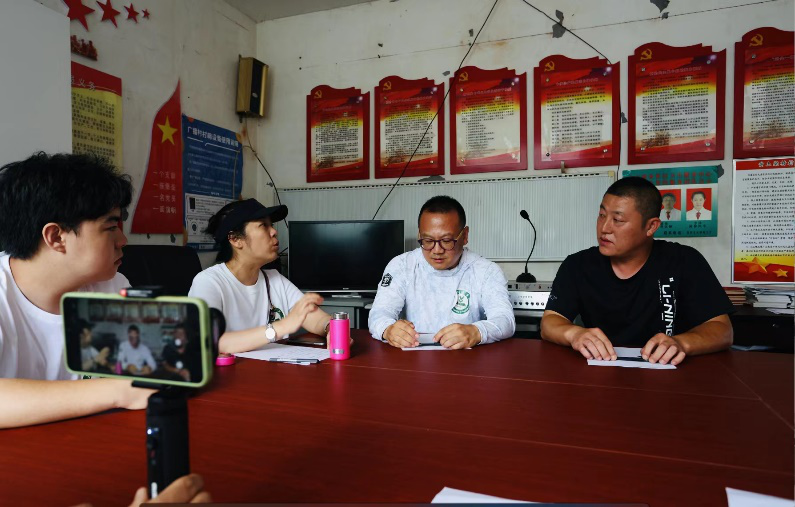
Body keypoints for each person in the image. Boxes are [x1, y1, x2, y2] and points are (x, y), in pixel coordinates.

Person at [0, 152, 152, 429]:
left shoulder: (112, 286)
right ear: (56, 237)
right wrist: (118, 391)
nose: (123, 239)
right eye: (111, 227)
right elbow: (129, 387)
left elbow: (143, 366)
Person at [540, 177, 733, 366]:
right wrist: (575, 334)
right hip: (601, 370)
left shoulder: (684, 260)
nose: (604, 228)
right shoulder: (578, 265)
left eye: (617, 220)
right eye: (601, 215)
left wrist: (681, 343)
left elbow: (722, 330)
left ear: (651, 226)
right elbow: (550, 321)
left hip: (666, 373)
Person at [368, 195, 515, 349]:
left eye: (446, 241)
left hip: (467, 359)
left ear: (465, 236)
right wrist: (388, 330)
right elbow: (380, 313)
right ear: (419, 235)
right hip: (413, 358)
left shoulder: (486, 271)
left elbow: (505, 320)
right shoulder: (402, 266)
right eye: (428, 241)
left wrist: (477, 332)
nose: (437, 250)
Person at [188, 199, 332, 354]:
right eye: (263, 225)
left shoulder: (275, 279)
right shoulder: (208, 282)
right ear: (236, 239)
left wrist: (332, 328)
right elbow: (210, 341)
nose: (274, 231)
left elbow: (317, 319)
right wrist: (280, 327)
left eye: (272, 225)